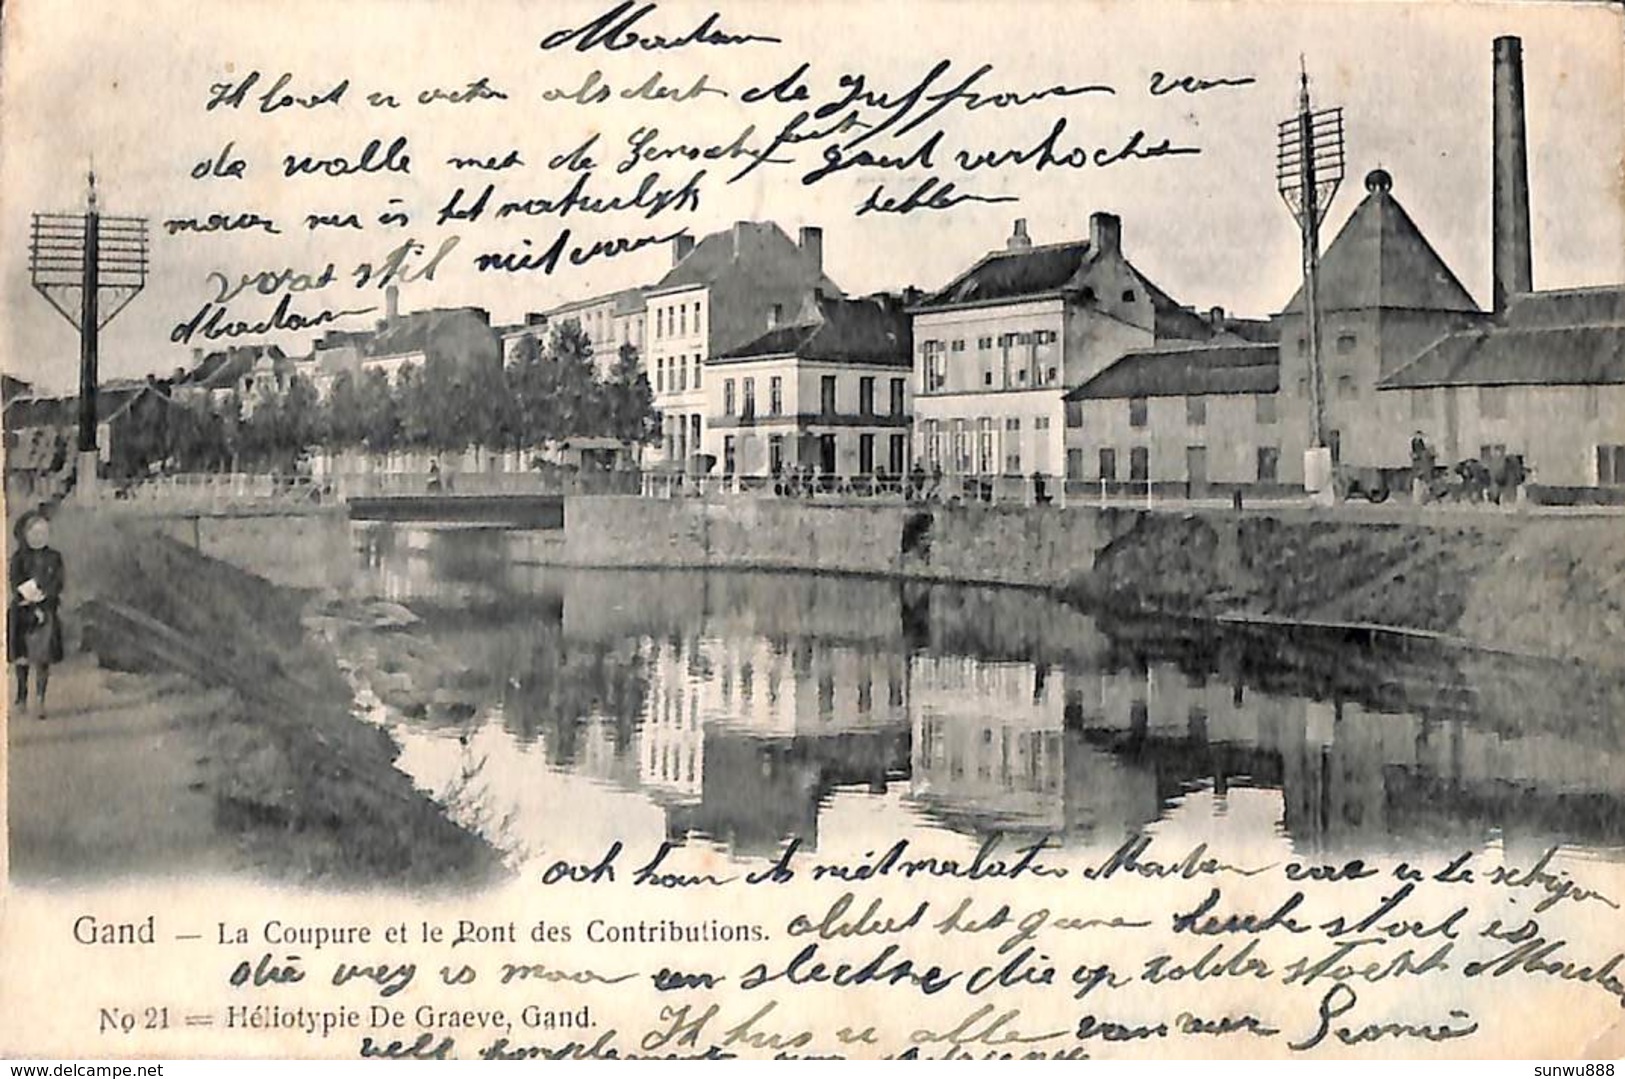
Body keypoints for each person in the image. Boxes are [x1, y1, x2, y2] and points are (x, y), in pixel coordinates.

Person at [8, 509, 65, 719]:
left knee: (43, 657)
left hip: (47, 610)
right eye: (35, 533)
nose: (39, 537)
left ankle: (40, 699)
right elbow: (16, 582)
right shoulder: (18, 558)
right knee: (22, 657)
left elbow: (58, 582)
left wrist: (45, 598)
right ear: (25, 534)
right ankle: (21, 697)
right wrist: (31, 599)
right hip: (23, 611)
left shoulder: (55, 557)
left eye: (43, 532)